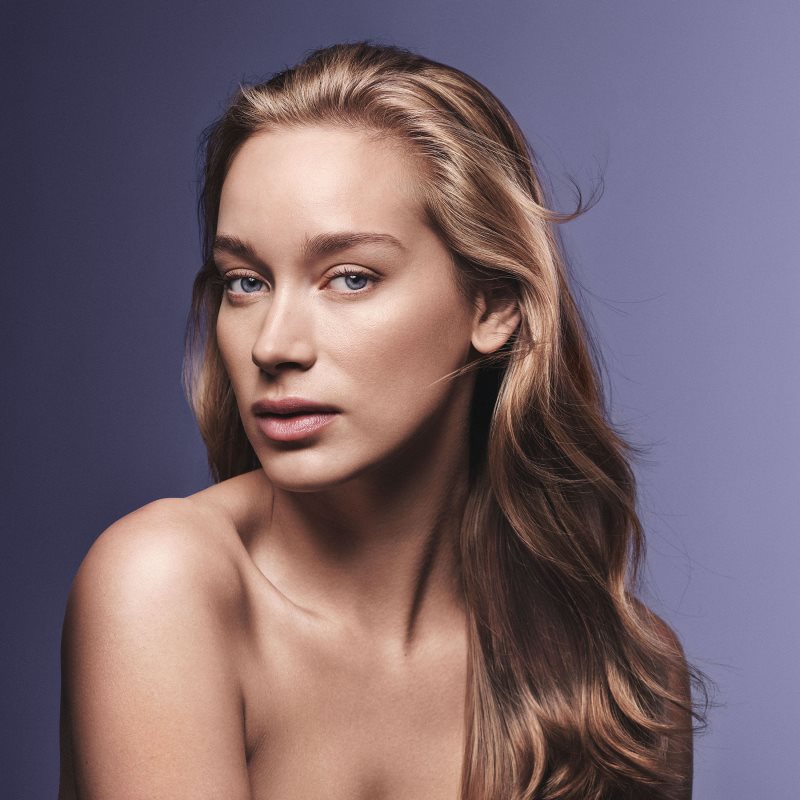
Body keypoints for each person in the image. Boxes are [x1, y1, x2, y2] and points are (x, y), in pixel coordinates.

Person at [58, 41, 707, 800]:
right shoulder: (164, 585)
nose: (274, 345)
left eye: (350, 278)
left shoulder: (620, 678)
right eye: (246, 282)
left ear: (493, 305)